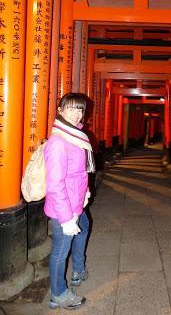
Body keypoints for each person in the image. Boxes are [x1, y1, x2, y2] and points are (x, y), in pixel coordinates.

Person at [44, 93, 95, 310]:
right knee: (60, 251)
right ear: (60, 110)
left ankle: (78, 270)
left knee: (83, 230)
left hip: (76, 203)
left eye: (80, 109)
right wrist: (66, 219)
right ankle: (58, 294)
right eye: (72, 108)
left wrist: (84, 194)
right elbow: (55, 185)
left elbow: (79, 173)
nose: (77, 114)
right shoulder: (58, 143)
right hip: (64, 210)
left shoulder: (75, 136)